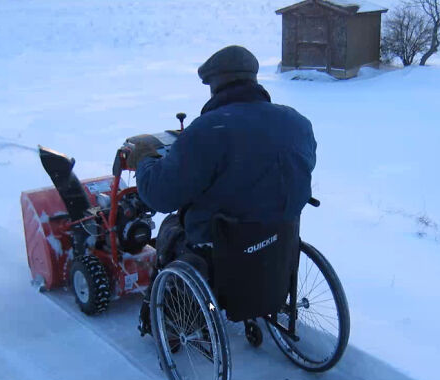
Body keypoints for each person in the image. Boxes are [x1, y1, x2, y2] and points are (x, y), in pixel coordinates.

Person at [127, 45, 317, 336]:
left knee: (170, 228)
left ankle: (173, 319)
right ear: (253, 79)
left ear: (214, 85)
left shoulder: (207, 131)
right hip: (279, 239)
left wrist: (145, 161)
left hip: (224, 248)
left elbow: (160, 195)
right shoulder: (297, 122)